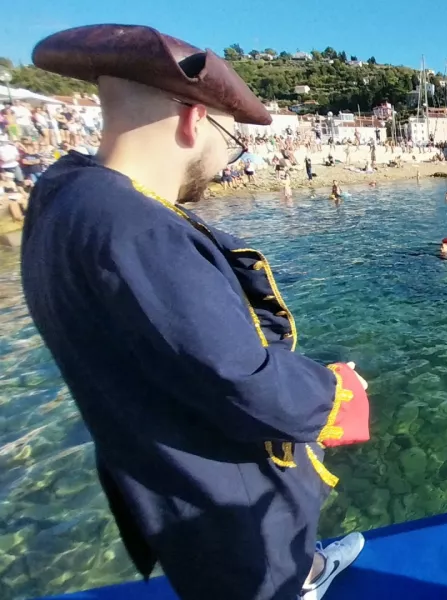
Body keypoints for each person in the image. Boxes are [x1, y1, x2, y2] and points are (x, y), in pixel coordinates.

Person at [21, 25, 371, 600]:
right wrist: (337, 393)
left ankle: (304, 567)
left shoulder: (60, 194)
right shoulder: (138, 230)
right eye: (229, 144)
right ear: (192, 119)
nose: (225, 163)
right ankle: (295, 583)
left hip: (154, 463)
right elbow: (240, 378)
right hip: (218, 507)